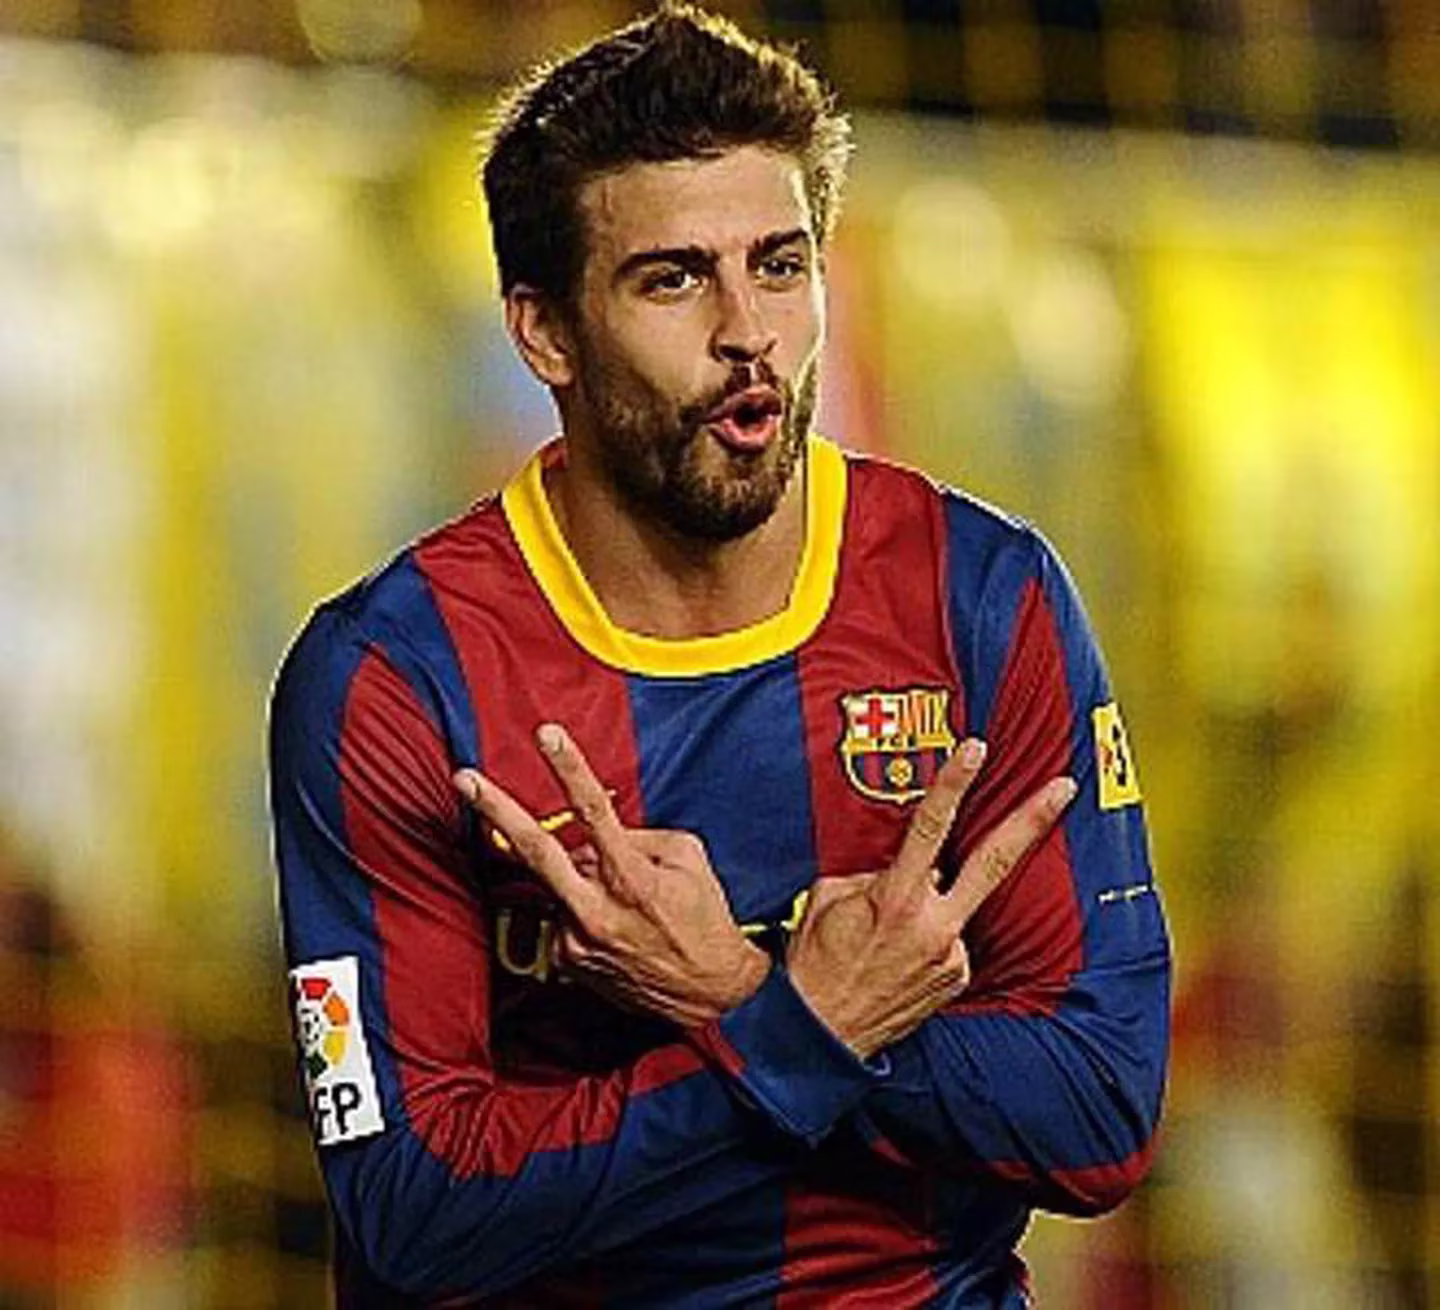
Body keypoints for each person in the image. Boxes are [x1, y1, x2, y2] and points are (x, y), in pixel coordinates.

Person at [268, 4, 1172, 1305]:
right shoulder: (390, 678)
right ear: (544, 333)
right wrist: (797, 1030)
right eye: (674, 279)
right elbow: (411, 1210)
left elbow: (1101, 1112)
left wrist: (736, 988)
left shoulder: (982, 595)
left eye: (782, 265)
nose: (748, 331)